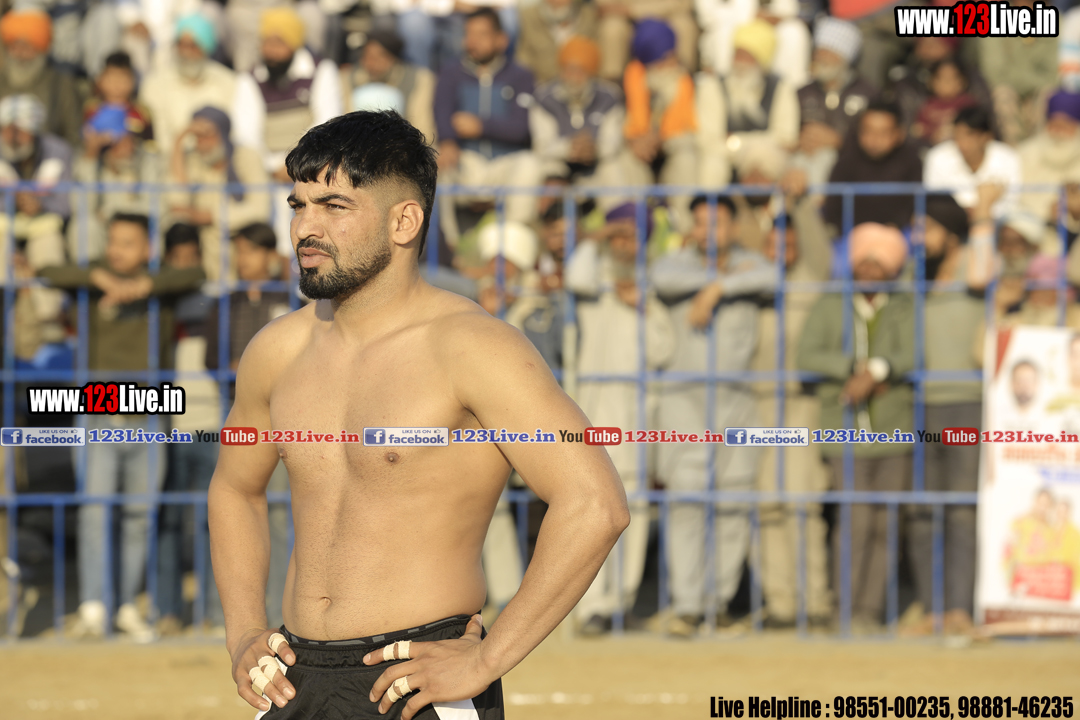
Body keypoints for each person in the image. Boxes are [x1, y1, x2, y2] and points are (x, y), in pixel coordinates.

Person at [207, 110, 630, 717]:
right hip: (296, 677)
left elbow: (595, 503)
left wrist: (487, 660)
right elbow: (234, 488)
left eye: (334, 206)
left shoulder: (473, 347)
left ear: (404, 221)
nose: (305, 228)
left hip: (418, 681)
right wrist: (244, 629)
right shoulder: (276, 350)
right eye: (298, 206)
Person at [38, 212, 206, 641]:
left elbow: (197, 273)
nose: (116, 250)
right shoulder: (94, 278)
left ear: (147, 249)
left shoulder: (161, 283)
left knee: (140, 515)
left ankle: (127, 604)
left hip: (148, 413)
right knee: (95, 510)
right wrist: (98, 278)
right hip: (98, 409)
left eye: (127, 243)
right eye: (112, 241)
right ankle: (94, 607)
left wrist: (146, 286)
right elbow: (47, 271)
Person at [650, 194, 776, 636]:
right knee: (686, 499)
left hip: (737, 399)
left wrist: (718, 288)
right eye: (701, 223)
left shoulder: (752, 265)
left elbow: (773, 275)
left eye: (717, 223)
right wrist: (717, 280)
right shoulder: (675, 264)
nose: (708, 232)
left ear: (734, 228)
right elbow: (660, 279)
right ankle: (687, 606)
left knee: (734, 500)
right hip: (683, 399)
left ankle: (717, 603)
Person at [796, 222, 915, 633]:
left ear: (892, 269)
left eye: (879, 263)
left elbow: (915, 352)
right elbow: (807, 355)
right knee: (855, 520)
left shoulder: (904, 305)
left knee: (886, 524)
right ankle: (844, 611)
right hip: (843, 430)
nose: (870, 269)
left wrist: (878, 370)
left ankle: (870, 611)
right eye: (864, 261)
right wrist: (851, 368)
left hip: (894, 430)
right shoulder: (831, 304)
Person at [563, 203, 675, 635]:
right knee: (594, 503)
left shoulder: (649, 286)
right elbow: (576, 276)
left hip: (638, 414)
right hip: (591, 409)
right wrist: (599, 238)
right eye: (619, 236)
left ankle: (620, 602)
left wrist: (643, 305)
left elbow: (664, 350)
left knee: (635, 507)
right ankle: (592, 605)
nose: (625, 245)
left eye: (632, 237)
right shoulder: (594, 276)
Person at [902, 193, 992, 638]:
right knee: (922, 511)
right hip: (921, 403)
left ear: (951, 233)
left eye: (927, 228)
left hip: (966, 402)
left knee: (960, 511)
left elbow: (982, 272)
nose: (918, 237)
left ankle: (960, 609)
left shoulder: (972, 268)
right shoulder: (916, 274)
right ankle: (932, 608)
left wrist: (984, 218)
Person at [749, 213, 834, 629]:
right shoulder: (751, 286)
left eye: (789, 243)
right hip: (756, 407)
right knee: (766, 506)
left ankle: (814, 601)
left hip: (802, 406)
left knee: (803, 505)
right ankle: (780, 603)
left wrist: (801, 202)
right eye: (772, 243)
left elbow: (820, 247)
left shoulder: (812, 286)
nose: (780, 251)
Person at [233, 7, 342, 259]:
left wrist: (296, 165)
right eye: (266, 42)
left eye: (278, 42)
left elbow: (328, 124)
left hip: (310, 169)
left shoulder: (321, 71)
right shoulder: (250, 78)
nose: (270, 50)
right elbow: (246, 133)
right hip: (267, 173)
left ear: (293, 43)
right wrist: (273, 167)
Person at [434, 9, 542, 245]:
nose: (472, 42)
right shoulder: (451, 72)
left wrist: (482, 126)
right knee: (436, 163)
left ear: (501, 40)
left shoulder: (521, 76)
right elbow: (442, 113)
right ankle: (448, 247)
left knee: (530, 164)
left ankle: (511, 246)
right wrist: (448, 141)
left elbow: (522, 128)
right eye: (469, 34)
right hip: (466, 161)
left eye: (481, 35)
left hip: (505, 163)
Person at [166, 106, 272, 282]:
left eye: (207, 135)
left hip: (239, 249)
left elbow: (260, 209)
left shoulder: (247, 156)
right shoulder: (193, 158)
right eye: (196, 136)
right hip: (204, 254)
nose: (202, 143)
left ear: (223, 132)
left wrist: (212, 216)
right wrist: (179, 140)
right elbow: (176, 203)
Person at [620, 19, 698, 230]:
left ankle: (685, 228)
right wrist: (637, 141)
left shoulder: (685, 78)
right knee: (627, 161)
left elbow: (687, 126)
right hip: (640, 149)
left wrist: (659, 137)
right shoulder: (631, 76)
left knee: (686, 158)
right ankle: (638, 228)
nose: (671, 61)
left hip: (674, 146)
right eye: (664, 57)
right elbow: (628, 125)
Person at [529, 36, 626, 188]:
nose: (573, 77)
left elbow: (613, 142)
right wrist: (569, 148)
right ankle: (551, 204)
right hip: (559, 164)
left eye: (580, 71)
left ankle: (621, 205)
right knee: (541, 166)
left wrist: (594, 148)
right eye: (568, 70)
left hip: (597, 164)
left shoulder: (609, 97)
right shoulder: (544, 98)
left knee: (614, 166)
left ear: (592, 72)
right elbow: (542, 145)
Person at [789, 16, 874, 190]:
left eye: (828, 52)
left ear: (844, 57)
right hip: (802, 161)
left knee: (825, 159)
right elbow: (785, 135)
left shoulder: (869, 94)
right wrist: (800, 141)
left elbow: (877, 141)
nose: (821, 58)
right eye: (818, 52)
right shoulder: (801, 93)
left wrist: (840, 141)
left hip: (850, 166)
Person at [140, 13, 238, 155]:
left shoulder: (228, 81)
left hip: (219, 160)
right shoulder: (154, 84)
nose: (186, 52)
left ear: (206, 48)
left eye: (193, 46)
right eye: (181, 44)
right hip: (170, 161)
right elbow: (159, 137)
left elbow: (235, 132)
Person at [822, 99, 923, 234]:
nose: (874, 139)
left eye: (883, 133)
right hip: (850, 237)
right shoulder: (846, 162)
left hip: (899, 235)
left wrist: (896, 226)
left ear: (899, 134)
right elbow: (832, 208)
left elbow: (914, 206)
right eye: (868, 131)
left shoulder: (912, 162)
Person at [0, 8, 85, 148]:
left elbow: (74, 134)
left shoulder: (62, 85)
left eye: (27, 47)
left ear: (41, 49)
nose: (20, 54)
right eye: (14, 47)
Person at [923, 105, 1020, 220]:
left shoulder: (1007, 157)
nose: (962, 142)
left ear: (986, 137)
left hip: (998, 221)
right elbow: (935, 201)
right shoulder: (938, 157)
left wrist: (982, 209)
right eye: (957, 135)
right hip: (950, 222)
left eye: (969, 135)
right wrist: (970, 212)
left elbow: (1012, 202)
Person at [344, 29, 437, 144]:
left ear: (393, 58)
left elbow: (423, 127)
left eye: (378, 58)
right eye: (366, 56)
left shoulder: (419, 79)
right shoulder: (347, 78)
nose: (370, 63)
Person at [516, 0, 599, 85]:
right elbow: (523, 57)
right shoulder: (528, 16)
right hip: (541, 83)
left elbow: (595, 51)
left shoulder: (588, 15)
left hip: (580, 84)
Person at [911, 59, 977, 148]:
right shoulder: (928, 105)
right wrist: (931, 134)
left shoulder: (967, 103)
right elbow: (919, 129)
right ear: (931, 82)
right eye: (941, 78)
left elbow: (972, 128)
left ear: (963, 82)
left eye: (952, 78)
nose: (947, 82)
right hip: (931, 148)